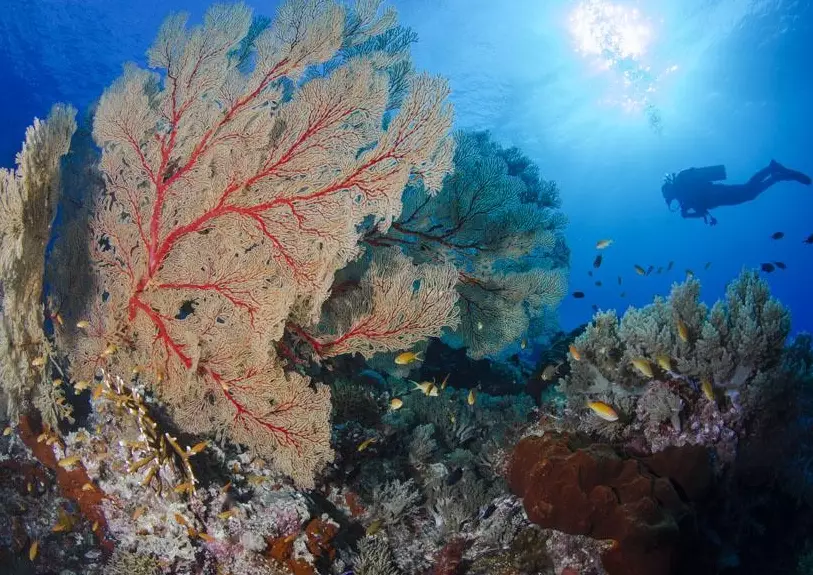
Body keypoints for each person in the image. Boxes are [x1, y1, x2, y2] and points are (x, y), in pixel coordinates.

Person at [662, 160, 811, 225]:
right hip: (719, 195)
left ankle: (774, 173)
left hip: (719, 195)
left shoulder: (684, 194)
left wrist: (688, 215)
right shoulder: (684, 197)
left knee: (749, 192)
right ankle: (773, 171)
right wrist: (688, 213)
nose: (671, 199)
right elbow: (702, 211)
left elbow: (701, 211)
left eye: (668, 197)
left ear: (670, 191)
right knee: (749, 191)